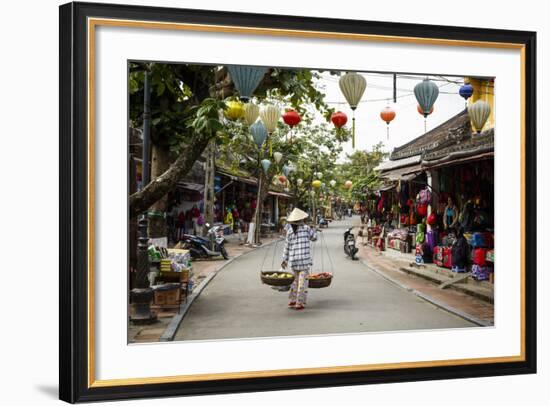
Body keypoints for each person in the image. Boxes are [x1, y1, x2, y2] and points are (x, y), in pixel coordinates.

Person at [281, 208, 317, 310]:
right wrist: (314, 229)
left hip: (293, 261)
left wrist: (285, 259)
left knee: (295, 281)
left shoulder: (289, 231)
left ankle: (292, 300)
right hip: (304, 261)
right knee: (302, 282)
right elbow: (314, 238)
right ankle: (299, 303)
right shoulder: (306, 228)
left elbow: (286, 247)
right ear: (301, 219)